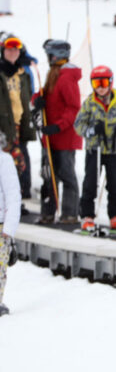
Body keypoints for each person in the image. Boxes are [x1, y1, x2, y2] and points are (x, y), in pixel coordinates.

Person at [74, 65, 116, 232]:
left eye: (104, 82)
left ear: (111, 83)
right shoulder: (89, 103)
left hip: (113, 150)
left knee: (115, 184)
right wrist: (91, 130)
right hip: (95, 150)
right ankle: (87, 216)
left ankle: (115, 216)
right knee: (90, 183)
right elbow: (78, 125)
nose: (100, 87)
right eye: (96, 83)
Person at [37, 39, 82, 224]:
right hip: (50, 137)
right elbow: (46, 95)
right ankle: (48, 213)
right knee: (49, 175)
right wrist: (37, 99)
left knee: (66, 175)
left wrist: (59, 126)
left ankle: (70, 213)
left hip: (64, 137)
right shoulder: (53, 75)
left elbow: (73, 108)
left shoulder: (65, 78)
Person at [0, 36, 34, 207]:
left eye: (16, 49)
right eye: (9, 49)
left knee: (17, 165)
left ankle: (13, 202)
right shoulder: (1, 73)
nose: (12, 52)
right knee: (11, 163)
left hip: (19, 125)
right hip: (4, 127)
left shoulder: (22, 74)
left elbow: (25, 100)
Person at [0, 129, 20, 316]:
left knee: (0, 266)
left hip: (1, 225)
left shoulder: (4, 162)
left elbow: (13, 196)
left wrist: (9, 228)